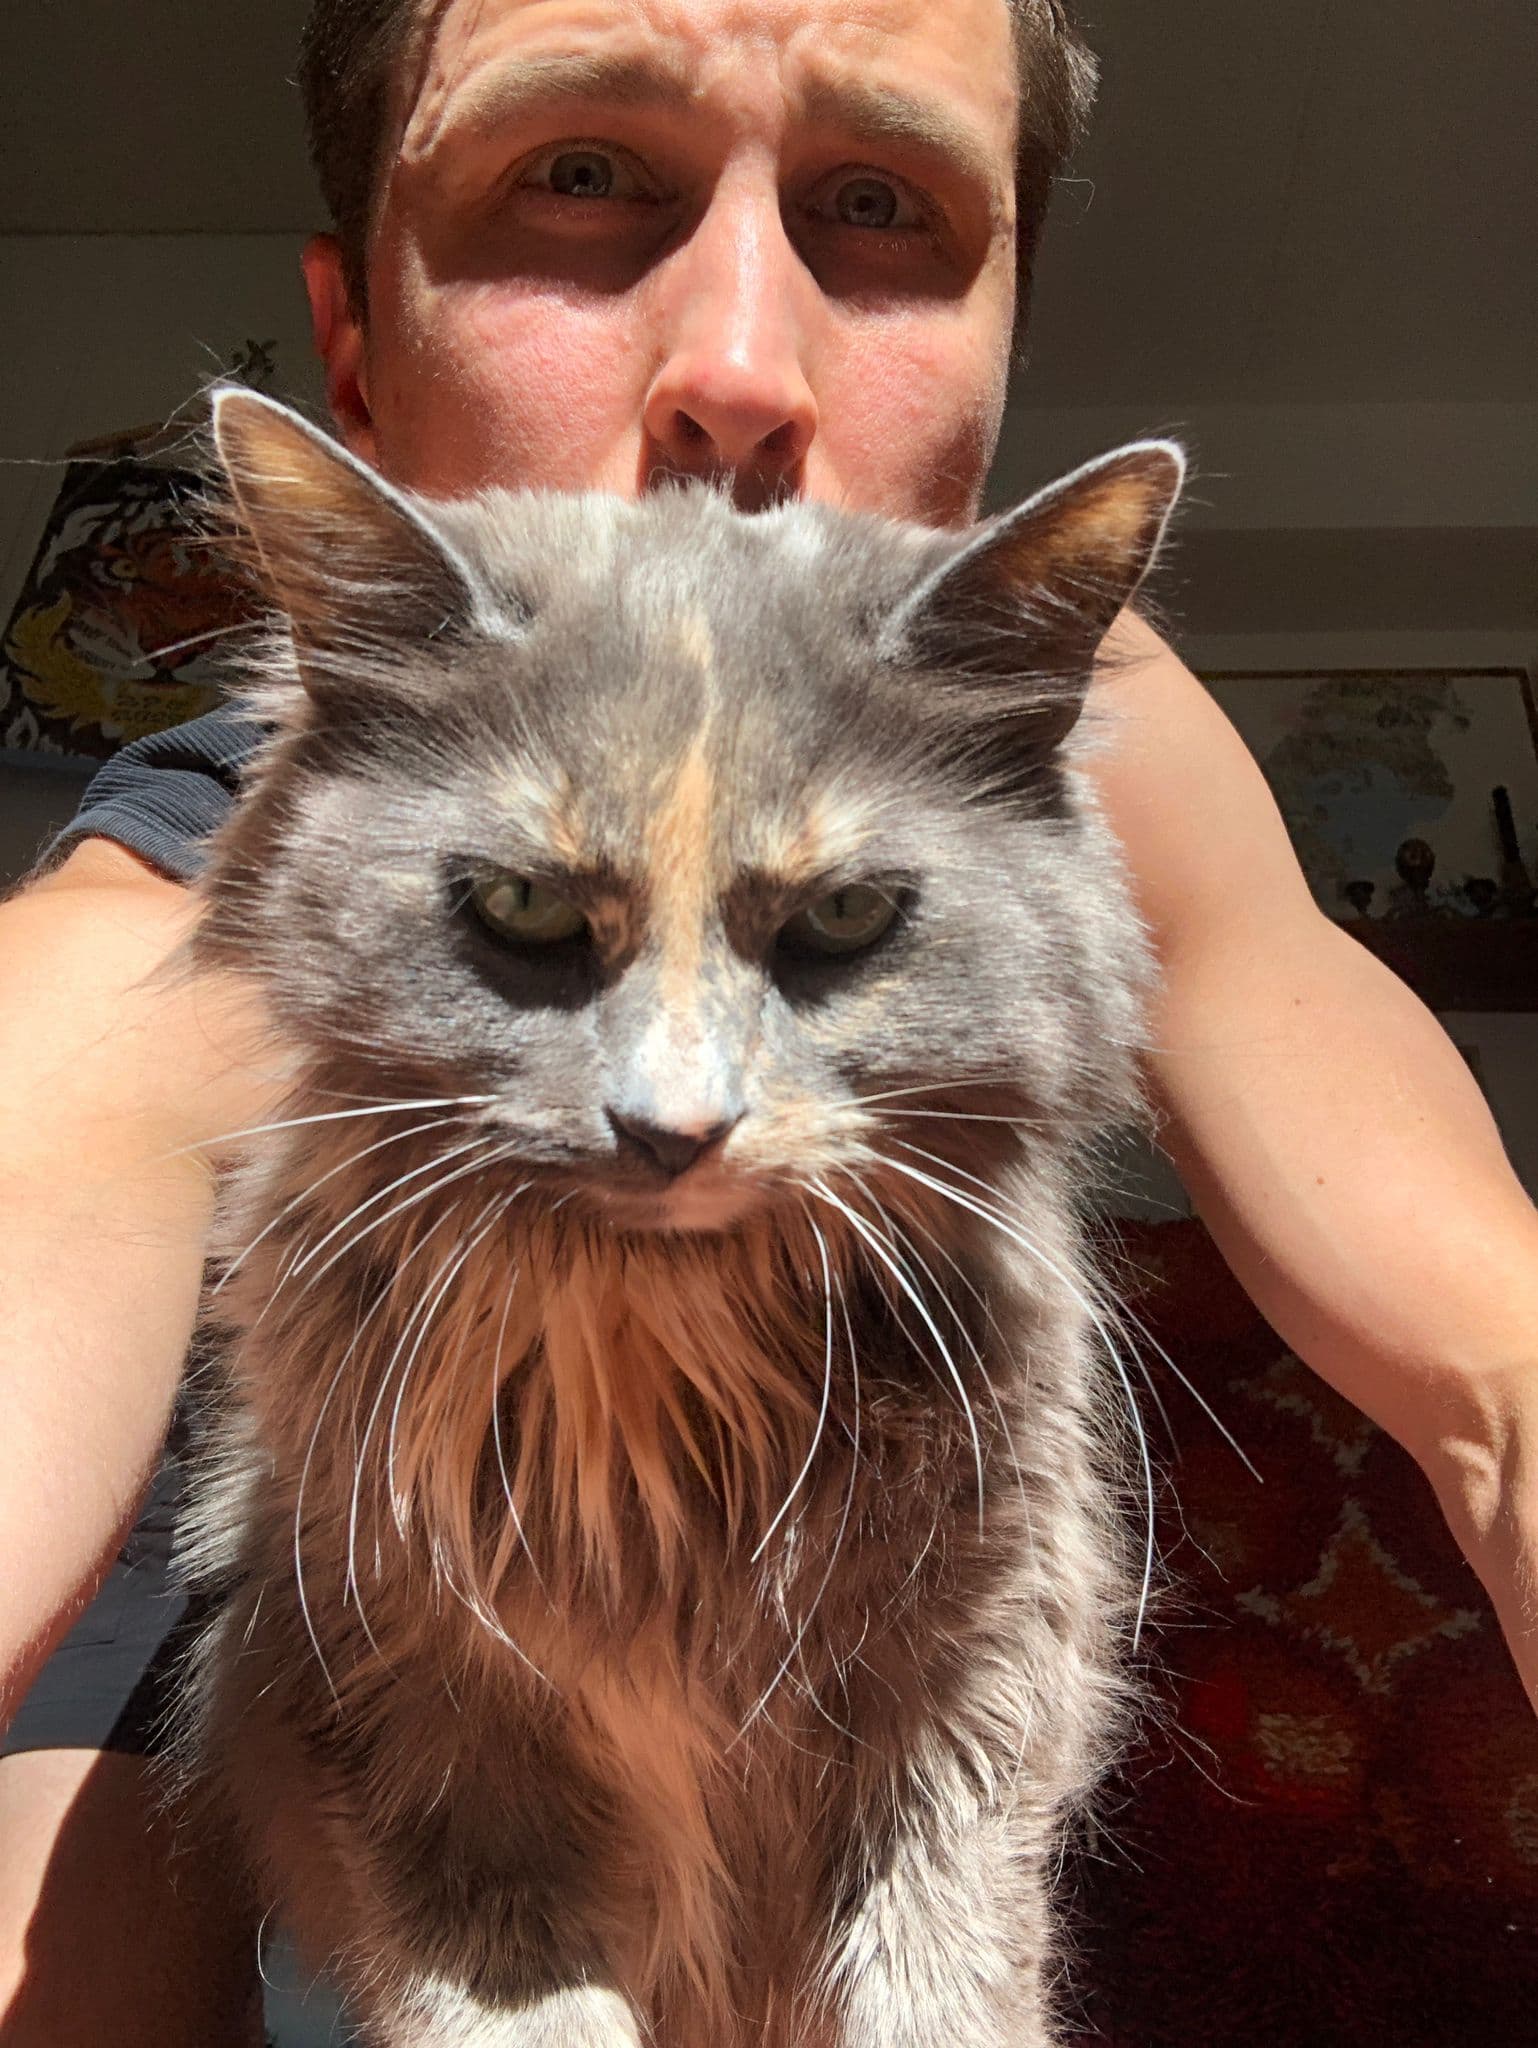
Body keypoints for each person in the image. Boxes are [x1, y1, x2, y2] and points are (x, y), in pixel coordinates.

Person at [2, 0, 1535, 2040]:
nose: (735, 364)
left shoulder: (1074, 712)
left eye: (877, 206)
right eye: (580, 176)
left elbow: (1490, 1342)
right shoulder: (196, 865)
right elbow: (47, 1152)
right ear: (351, 350)